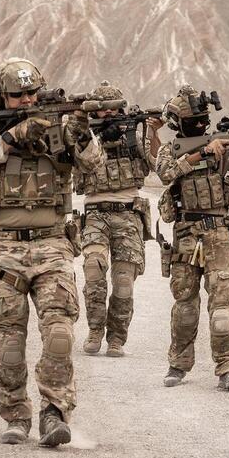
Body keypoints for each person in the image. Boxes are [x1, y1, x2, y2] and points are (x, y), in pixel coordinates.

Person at [0, 58, 104, 447]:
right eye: (17, 94)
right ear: (1, 96)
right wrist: (12, 137)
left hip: (53, 241)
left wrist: (81, 132)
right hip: (6, 248)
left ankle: (54, 412)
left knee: (59, 334)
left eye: (32, 93)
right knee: (10, 344)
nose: (27, 100)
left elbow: (94, 167)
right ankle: (16, 416)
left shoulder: (59, 127)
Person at [154, 84, 229, 391]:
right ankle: (178, 365)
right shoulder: (171, 150)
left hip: (219, 233)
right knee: (185, 306)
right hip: (186, 234)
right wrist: (201, 153)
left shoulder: (223, 143)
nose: (201, 123)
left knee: (222, 307)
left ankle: (228, 366)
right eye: (194, 118)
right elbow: (165, 174)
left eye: (203, 117)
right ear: (178, 123)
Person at [74, 80, 160, 357]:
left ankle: (117, 338)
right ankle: (95, 330)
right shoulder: (81, 133)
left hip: (128, 213)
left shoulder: (134, 131)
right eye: (102, 110)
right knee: (93, 271)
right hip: (95, 213)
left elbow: (155, 164)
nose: (108, 115)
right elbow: (76, 163)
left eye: (113, 110)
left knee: (124, 281)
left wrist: (152, 132)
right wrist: (95, 138)